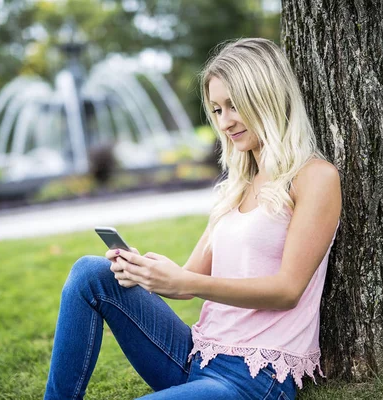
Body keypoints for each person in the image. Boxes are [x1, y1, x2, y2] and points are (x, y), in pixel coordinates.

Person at [43, 38, 342, 400]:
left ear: (265, 96)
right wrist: (148, 272)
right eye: (216, 110)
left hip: (252, 380)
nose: (225, 121)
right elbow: (187, 282)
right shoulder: (237, 185)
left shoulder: (315, 177)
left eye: (234, 105)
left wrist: (185, 281)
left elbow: (287, 291)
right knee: (90, 272)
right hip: (196, 356)